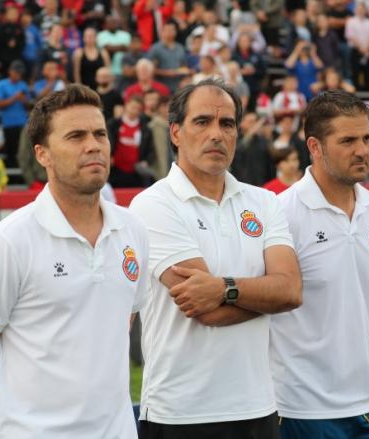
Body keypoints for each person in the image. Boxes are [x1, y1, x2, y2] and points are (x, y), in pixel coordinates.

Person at [0, 84, 150, 438]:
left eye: (99, 134)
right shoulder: (7, 242)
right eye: (76, 136)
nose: (93, 145)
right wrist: (29, 411)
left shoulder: (133, 230)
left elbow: (123, 319)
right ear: (42, 154)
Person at [129, 78, 302, 439]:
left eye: (227, 124)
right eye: (202, 121)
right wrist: (270, 296)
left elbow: (291, 291)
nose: (217, 134)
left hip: (259, 407)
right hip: (181, 414)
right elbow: (205, 309)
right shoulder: (152, 204)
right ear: (175, 132)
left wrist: (223, 287)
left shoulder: (264, 201)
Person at [271, 89, 369, 439]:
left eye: (367, 138)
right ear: (314, 146)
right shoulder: (282, 213)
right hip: (304, 408)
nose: (362, 150)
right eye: (347, 140)